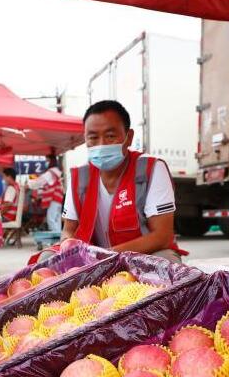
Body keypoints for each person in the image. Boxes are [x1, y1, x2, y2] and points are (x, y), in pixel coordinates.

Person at [60, 100, 183, 262]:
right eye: (93, 138)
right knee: (46, 259)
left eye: (110, 136)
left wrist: (107, 255)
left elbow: (162, 236)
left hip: (143, 256)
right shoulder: (79, 176)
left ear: (129, 137)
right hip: (92, 259)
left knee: (166, 262)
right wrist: (67, 245)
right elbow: (68, 230)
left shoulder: (151, 169)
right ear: (85, 139)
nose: (101, 144)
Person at [29, 155, 64, 232]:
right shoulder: (57, 172)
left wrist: (29, 184)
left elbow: (38, 182)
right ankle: (59, 239)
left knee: (51, 219)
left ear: (51, 162)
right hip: (58, 198)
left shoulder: (50, 173)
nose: (46, 163)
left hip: (53, 199)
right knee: (56, 219)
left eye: (47, 161)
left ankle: (56, 240)